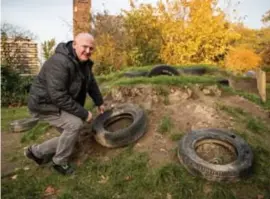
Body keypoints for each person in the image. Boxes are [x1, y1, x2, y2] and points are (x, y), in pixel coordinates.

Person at [25, 33, 105, 175]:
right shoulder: (59, 62)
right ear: (74, 45)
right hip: (44, 104)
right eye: (84, 47)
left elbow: (91, 83)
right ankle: (59, 162)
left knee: (70, 137)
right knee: (74, 125)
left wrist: (99, 102)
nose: (88, 51)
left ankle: (36, 152)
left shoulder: (84, 63)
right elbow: (58, 95)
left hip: (57, 102)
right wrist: (84, 113)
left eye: (91, 48)